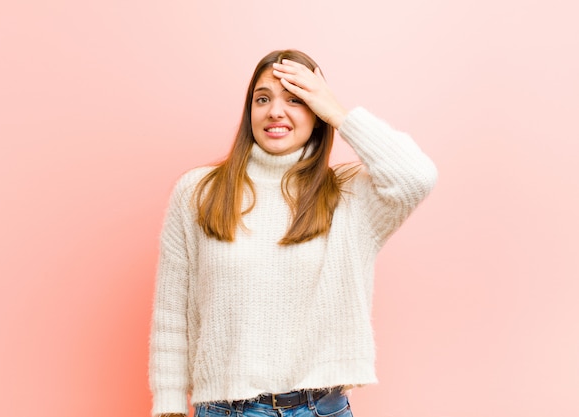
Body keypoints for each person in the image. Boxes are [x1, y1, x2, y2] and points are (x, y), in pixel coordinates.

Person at [149, 49, 438, 417]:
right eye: (263, 98)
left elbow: (417, 175)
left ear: (317, 115)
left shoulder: (349, 195)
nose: (274, 111)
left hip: (320, 408)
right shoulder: (198, 191)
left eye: (296, 99)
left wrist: (338, 113)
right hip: (226, 410)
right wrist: (168, 406)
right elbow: (173, 312)